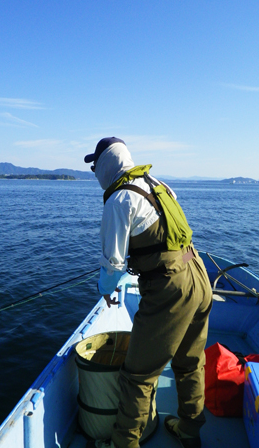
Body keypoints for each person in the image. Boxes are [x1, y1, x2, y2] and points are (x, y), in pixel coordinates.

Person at [84, 137, 213, 448]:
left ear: (105, 165)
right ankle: (189, 429)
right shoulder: (155, 182)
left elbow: (113, 263)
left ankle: (123, 443)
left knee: (138, 375)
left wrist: (106, 289)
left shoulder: (119, 200)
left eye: (94, 166)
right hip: (198, 273)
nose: (94, 172)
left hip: (170, 287)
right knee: (190, 362)